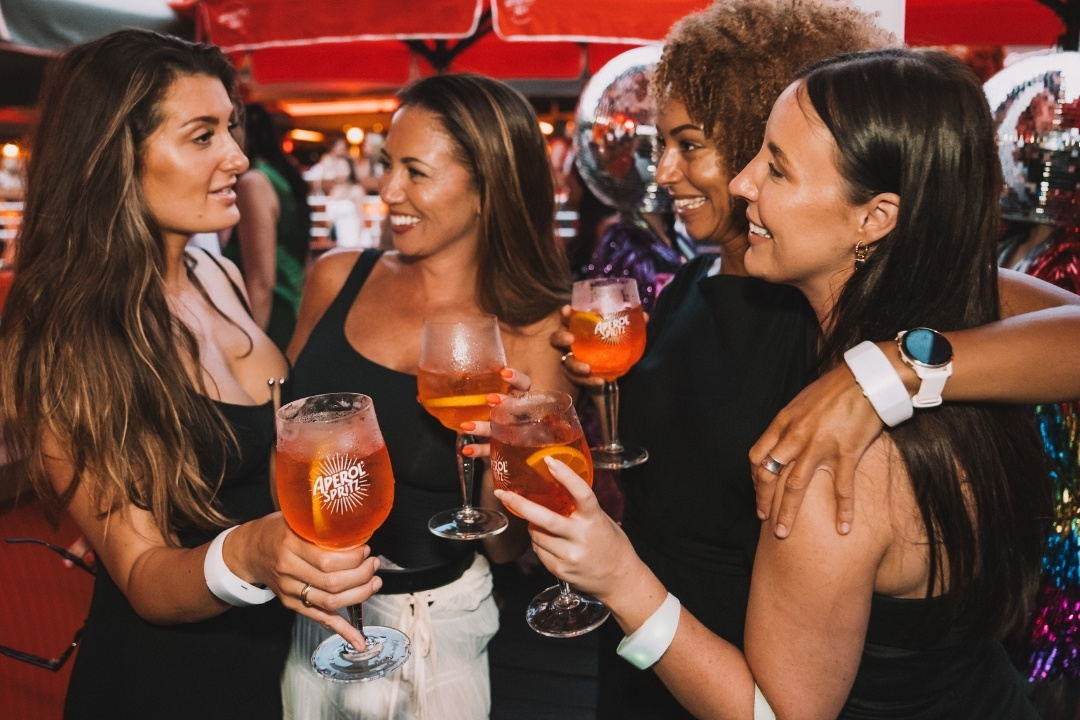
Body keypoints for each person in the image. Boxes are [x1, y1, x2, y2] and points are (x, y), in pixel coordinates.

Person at [545, 1, 1080, 717]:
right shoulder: (939, 320)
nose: (742, 184)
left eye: (775, 166)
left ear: (873, 218)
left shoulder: (835, 456)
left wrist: (618, 577)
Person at [0, 30, 381, 719]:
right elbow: (142, 573)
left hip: (278, 660)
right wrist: (251, 551)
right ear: (112, 156)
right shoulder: (66, 335)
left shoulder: (216, 272)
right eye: (202, 135)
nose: (238, 157)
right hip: (168, 683)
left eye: (230, 129)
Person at [280, 73, 573, 720]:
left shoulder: (533, 332)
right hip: (313, 612)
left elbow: (505, 548)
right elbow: (280, 433)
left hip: (433, 627)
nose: (388, 192)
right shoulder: (337, 278)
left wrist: (503, 449)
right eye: (389, 166)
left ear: (487, 189)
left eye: (416, 171)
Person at [221, 103, 310, 351]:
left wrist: (252, 347)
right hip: (291, 307)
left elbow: (262, 281)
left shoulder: (253, 182)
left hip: (269, 317)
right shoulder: (280, 176)